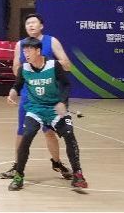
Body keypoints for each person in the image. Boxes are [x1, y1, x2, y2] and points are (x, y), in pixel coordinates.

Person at [5, 37, 88, 190]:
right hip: (35, 109)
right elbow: (17, 85)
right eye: (24, 51)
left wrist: (62, 102)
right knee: (27, 136)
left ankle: (78, 174)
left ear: (38, 51)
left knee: (69, 135)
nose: (26, 54)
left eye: (29, 51)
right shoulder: (24, 69)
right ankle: (19, 175)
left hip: (54, 108)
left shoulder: (54, 65)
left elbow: (66, 85)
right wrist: (12, 93)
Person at [0, 13, 74, 181]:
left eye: (34, 22)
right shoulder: (20, 44)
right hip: (29, 95)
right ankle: (17, 166)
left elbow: (67, 65)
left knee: (49, 132)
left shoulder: (51, 41)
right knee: (22, 132)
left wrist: (45, 63)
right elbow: (16, 69)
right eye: (28, 23)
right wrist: (20, 79)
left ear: (41, 26)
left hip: (49, 95)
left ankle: (57, 163)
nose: (30, 25)